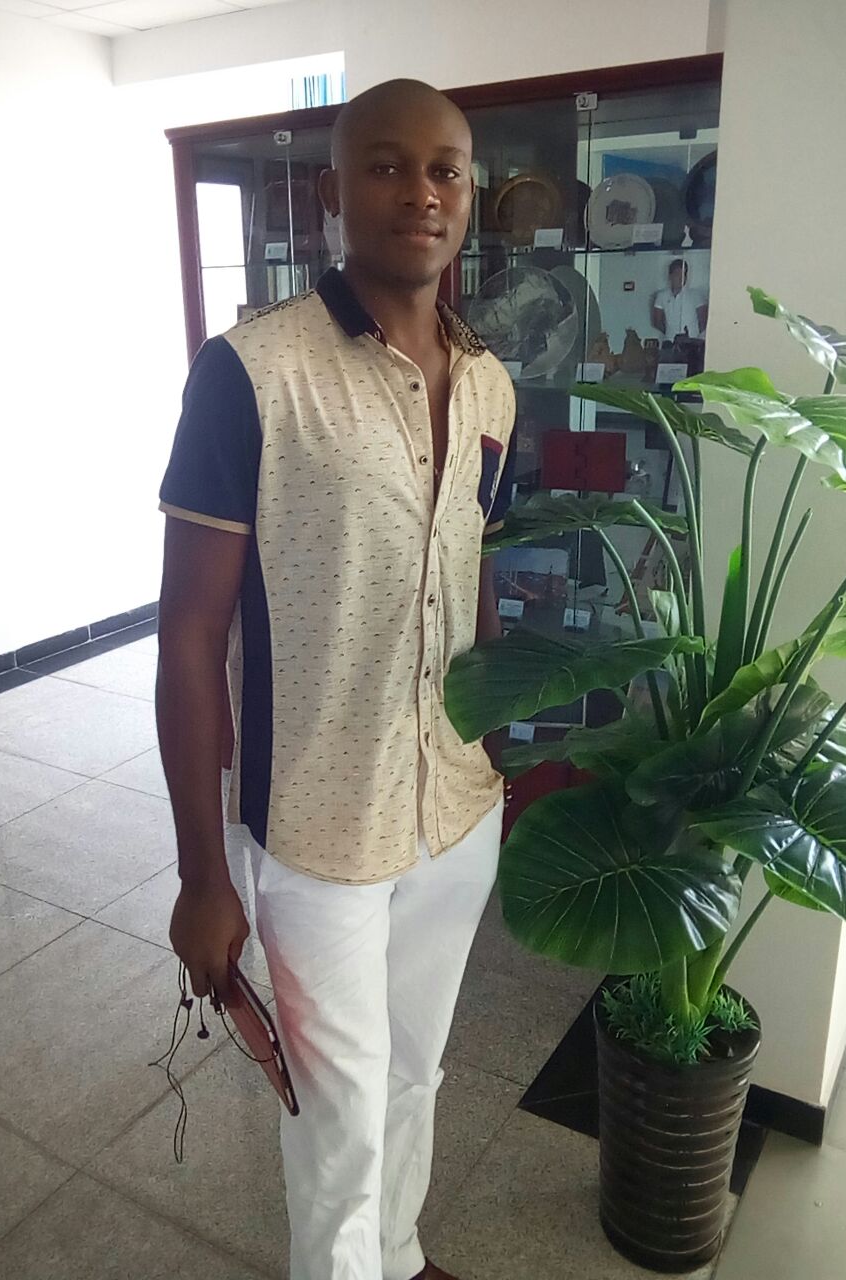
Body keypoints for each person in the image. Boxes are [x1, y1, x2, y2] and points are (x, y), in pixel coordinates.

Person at [156, 78, 517, 1280]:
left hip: (455, 808)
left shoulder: (491, 382)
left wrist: (490, 744)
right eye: (387, 165)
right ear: (332, 190)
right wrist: (202, 872)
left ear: (469, 193)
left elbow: (471, 568)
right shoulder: (251, 373)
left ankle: (399, 1254)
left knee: (415, 1071)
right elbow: (189, 633)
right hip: (318, 825)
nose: (422, 192)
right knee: (337, 1115)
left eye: (446, 169)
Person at [650, 257, 708, 338]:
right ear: (670, 276)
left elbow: (704, 321)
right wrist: (670, 333)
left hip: (692, 341)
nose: (681, 278)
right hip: (670, 341)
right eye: (677, 274)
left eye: (683, 274)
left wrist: (693, 335)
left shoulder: (696, 295)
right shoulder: (662, 296)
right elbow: (657, 322)